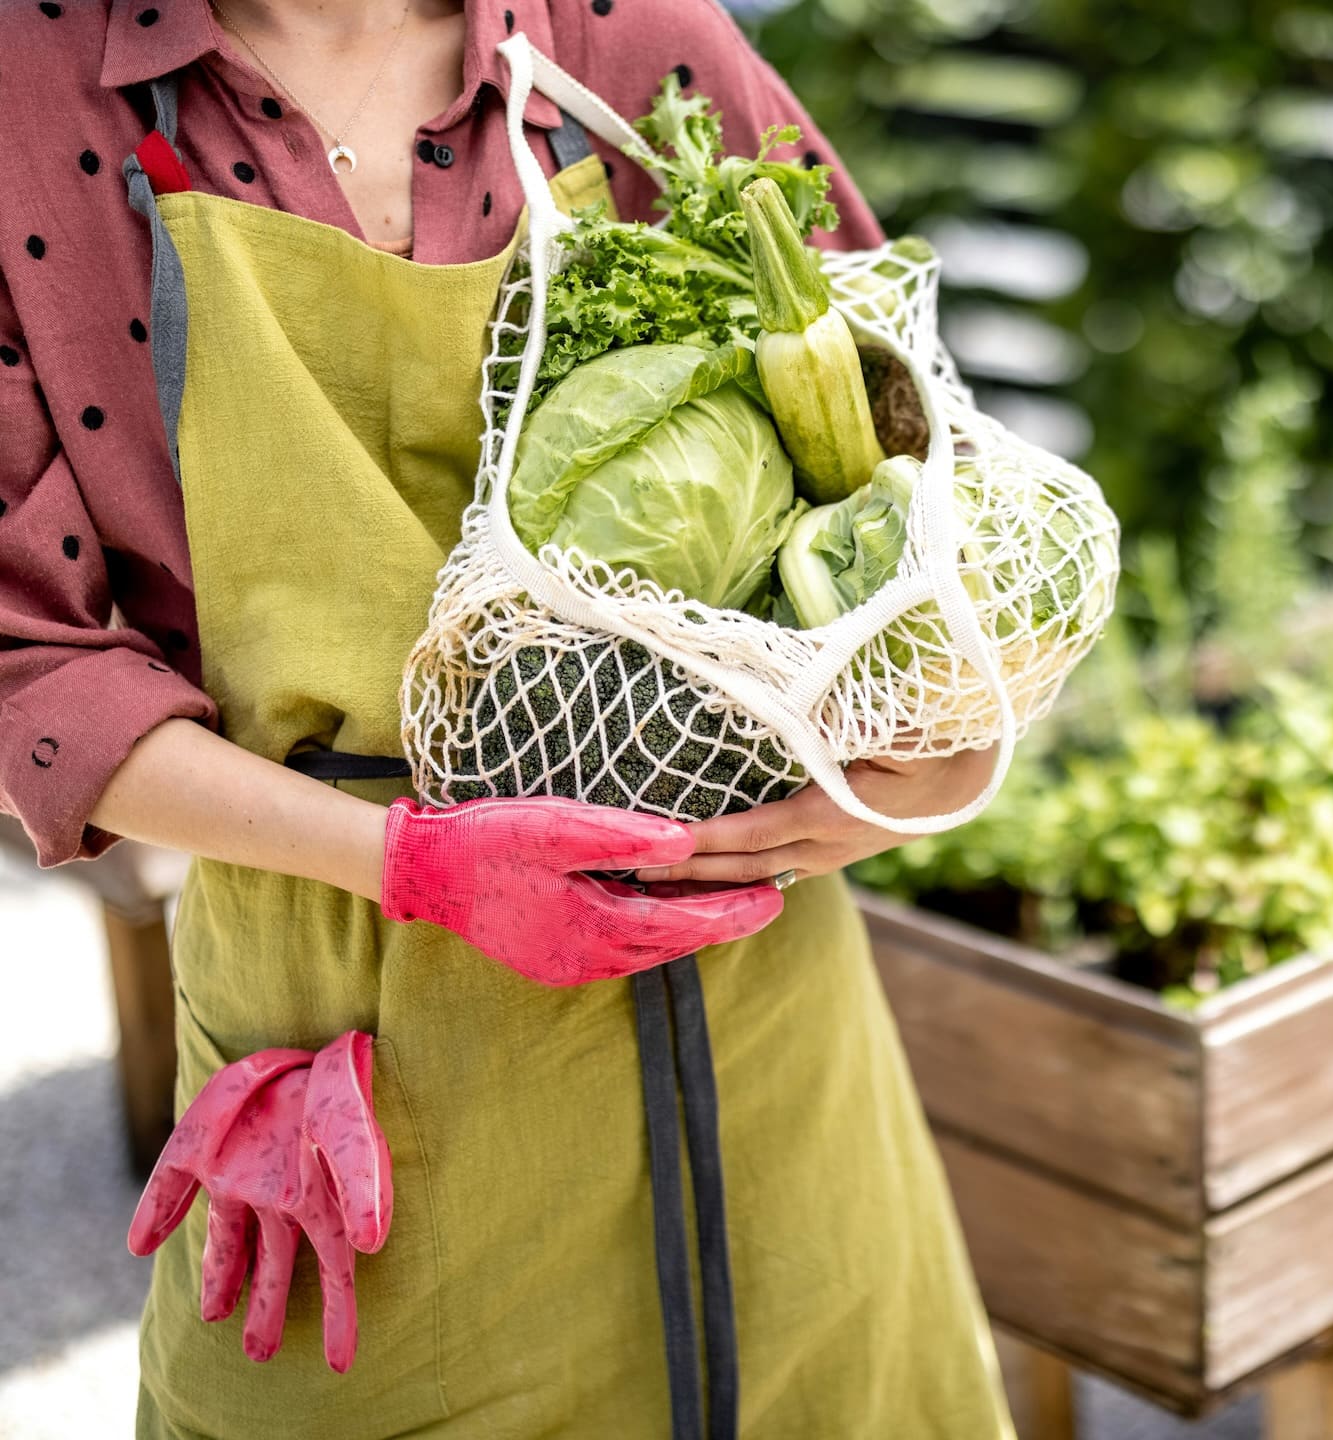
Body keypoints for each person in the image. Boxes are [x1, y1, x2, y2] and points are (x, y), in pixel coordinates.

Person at [0, 0, 1014, 1435]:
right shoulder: (27, 103)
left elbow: (924, 461)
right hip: (346, 1026)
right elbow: (24, 655)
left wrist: (914, 767)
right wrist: (410, 861)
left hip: (753, 1009)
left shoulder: (627, 37)